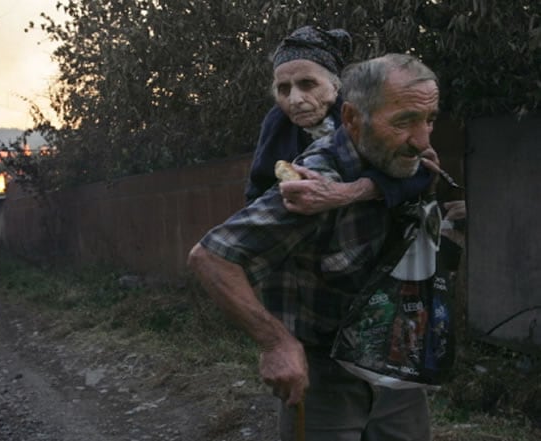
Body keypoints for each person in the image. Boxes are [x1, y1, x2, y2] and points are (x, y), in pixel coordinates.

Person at [188, 53, 442, 441]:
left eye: (429, 119)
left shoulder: (402, 156)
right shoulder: (312, 184)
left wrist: (350, 194)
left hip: (397, 363)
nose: (422, 139)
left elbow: (425, 168)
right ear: (354, 120)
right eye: (404, 121)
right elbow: (211, 257)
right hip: (327, 377)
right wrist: (275, 343)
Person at [246, 25, 436, 214]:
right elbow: (258, 191)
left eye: (308, 84)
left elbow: (422, 169)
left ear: (335, 86)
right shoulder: (277, 122)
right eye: (284, 89)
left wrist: (346, 193)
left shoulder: (361, 110)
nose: (295, 100)